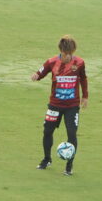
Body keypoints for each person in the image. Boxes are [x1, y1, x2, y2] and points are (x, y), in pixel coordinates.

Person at [30, 35, 88, 176]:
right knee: (47, 132)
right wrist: (36, 76)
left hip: (72, 106)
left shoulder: (79, 63)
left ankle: (69, 166)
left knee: (72, 134)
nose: (67, 56)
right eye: (65, 53)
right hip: (55, 105)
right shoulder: (51, 62)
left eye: (70, 54)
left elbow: (84, 79)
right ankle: (46, 159)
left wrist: (85, 96)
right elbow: (41, 72)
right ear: (60, 50)